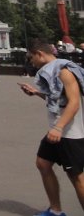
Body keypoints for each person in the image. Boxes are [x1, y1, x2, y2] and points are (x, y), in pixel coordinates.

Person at [19, 40, 84, 216]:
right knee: (43, 163)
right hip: (58, 130)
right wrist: (37, 93)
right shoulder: (53, 71)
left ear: (40, 54)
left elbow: (74, 103)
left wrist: (59, 127)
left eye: (31, 58)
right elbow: (57, 101)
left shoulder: (64, 71)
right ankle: (55, 211)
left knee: (77, 177)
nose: (31, 62)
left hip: (71, 133)